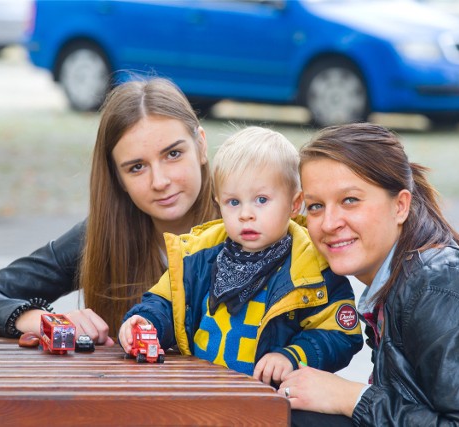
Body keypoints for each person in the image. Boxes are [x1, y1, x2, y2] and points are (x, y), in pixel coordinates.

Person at [278, 122, 459, 426]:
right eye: (316, 206)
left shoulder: (437, 284)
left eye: (350, 200)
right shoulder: (399, 280)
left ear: (400, 206)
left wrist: (352, 398)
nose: (329, 222)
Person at [0, 77, 218, 346]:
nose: (159, 181)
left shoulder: (251, 223)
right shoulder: (104, 235)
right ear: (118, 179)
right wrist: (44, 322)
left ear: (201, 145)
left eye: (173, 154)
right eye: (136, 167)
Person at [119, 126, 363, 384]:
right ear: (219, 203)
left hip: (270, 402)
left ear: (294, 204)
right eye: (234, 202)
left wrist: (293, 356)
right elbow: (165, 301)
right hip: (199, 391)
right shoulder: (198, 257)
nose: (246, 214)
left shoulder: (312, 267)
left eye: (261, 200)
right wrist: (146, 321)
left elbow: (339, 335)